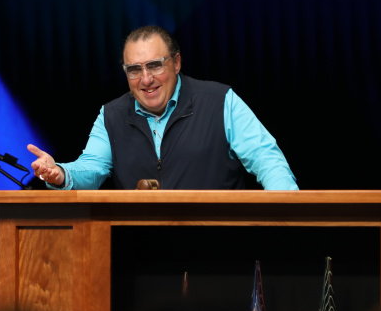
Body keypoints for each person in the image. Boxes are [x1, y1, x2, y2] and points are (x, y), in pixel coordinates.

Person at [27, 25, 297, 190]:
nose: (146, 79)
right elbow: (92, 168)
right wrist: (61, 173)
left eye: (155, 65)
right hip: (141, 252)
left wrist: (286, 214)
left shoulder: (220, 101)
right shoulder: (111, 115)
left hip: (220, 251)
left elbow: (267, 160)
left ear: (176, 63)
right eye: (134, 70)